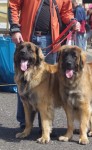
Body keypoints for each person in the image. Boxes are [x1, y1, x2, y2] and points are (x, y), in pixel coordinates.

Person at [8, 0, 80, 129]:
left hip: (51, 39)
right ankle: (25, 124)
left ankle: (45, 126)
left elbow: (66, 11)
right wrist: (14, 28)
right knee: (23, 81)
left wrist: (72, 21)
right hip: (26, 38)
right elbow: (13, 4)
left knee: (48, 86)